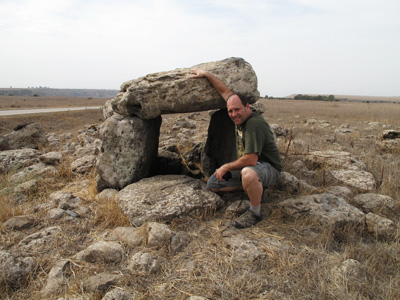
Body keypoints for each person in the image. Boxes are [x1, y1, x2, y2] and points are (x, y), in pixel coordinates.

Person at [191, 69, 282, 228]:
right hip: (252, 166)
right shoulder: (237, 106)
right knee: (213, 184)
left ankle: (255, 212)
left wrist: (226, 166)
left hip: (268, 168)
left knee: (247, 173)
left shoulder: (254, 124)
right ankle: (254, 186)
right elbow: (224, 91)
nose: (233, 114)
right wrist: (206, 74)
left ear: (247, 107)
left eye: (237, 110)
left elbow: (251, 159)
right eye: (230, 111)